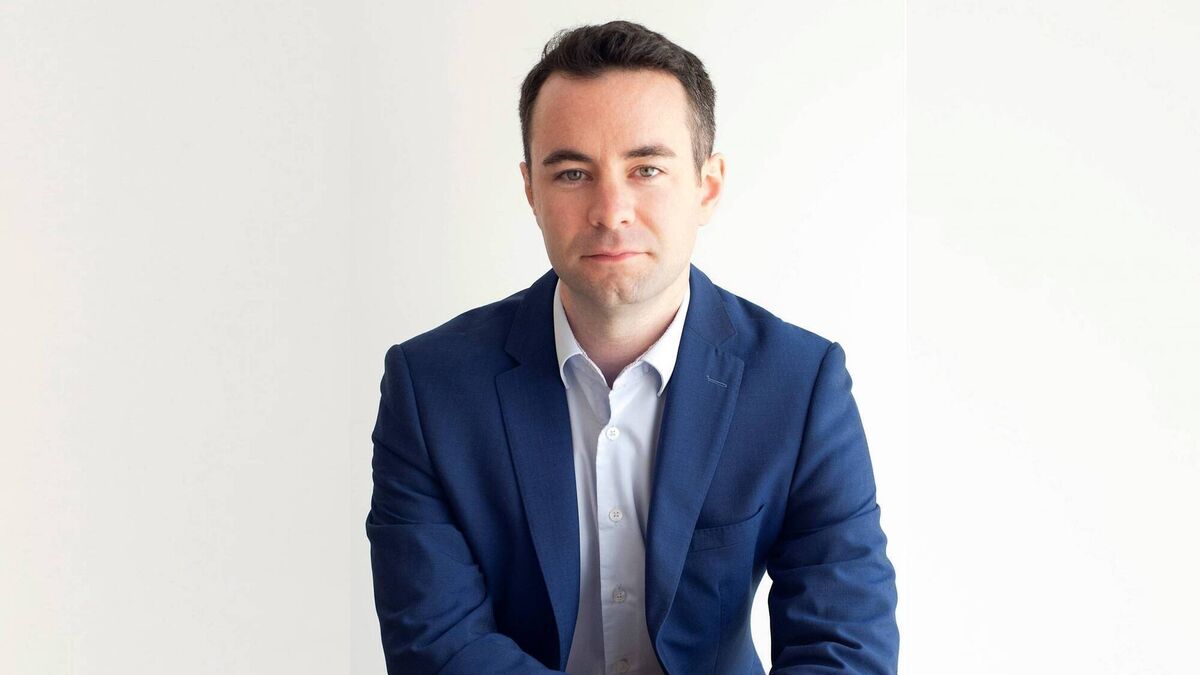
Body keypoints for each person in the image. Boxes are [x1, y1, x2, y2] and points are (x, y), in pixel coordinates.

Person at [365, 20, 899, 675]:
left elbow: (845, 646)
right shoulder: (431, 388)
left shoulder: (800, 384)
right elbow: (439, 650)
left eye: (646, 168)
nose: (611, 210)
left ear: (707, 185)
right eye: (572, 173)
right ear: (531, 190)